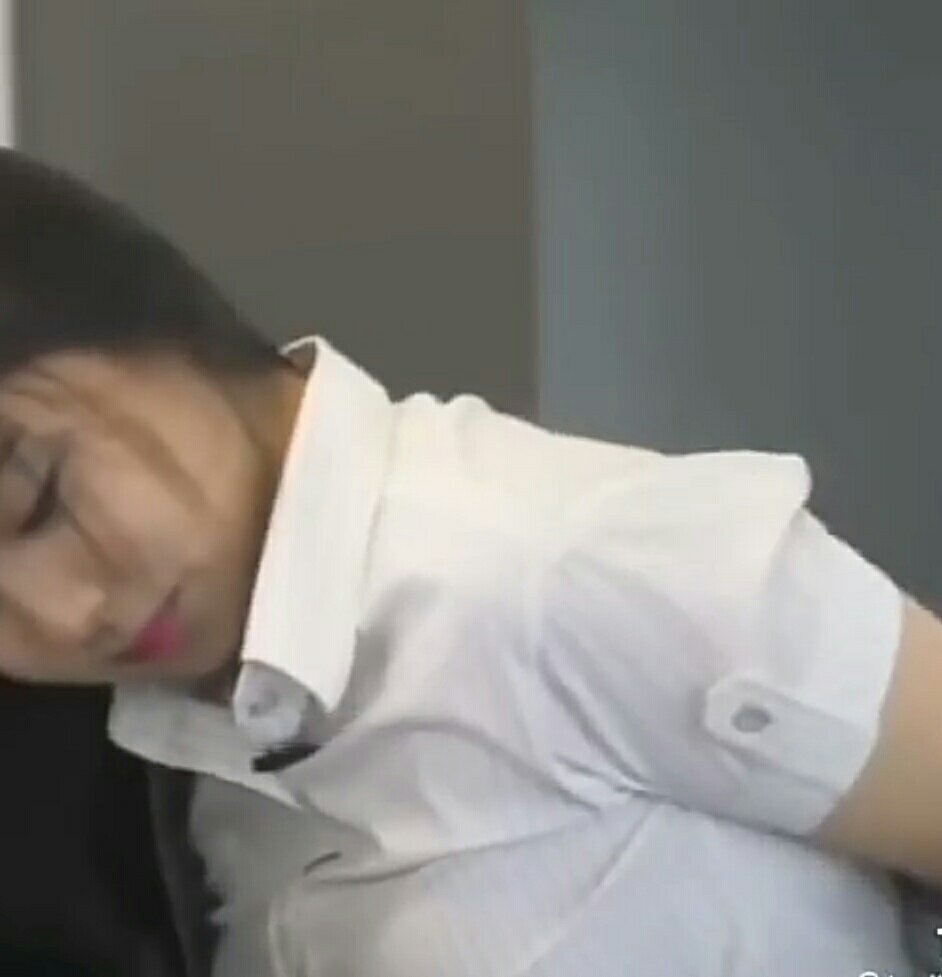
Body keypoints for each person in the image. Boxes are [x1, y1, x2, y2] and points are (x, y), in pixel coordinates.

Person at [0, 146, 939, 977]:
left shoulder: (561, 560)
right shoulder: (174, 745)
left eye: (37, 503)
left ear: (131, 314)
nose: (60, 618)